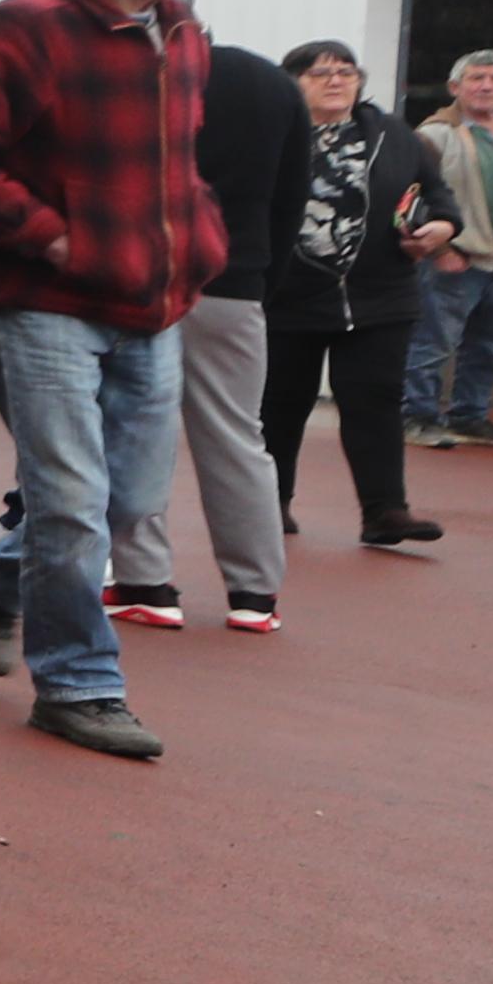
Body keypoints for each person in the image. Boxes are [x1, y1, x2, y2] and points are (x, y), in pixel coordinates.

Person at [0, 0, 235, 762]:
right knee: (70, 499)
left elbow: (178, 161)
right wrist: (52, 238)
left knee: (130, 501)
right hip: (45, 305)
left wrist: (202, 236)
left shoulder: (182, 32)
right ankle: (78, 685)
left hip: (154, 305)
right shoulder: (19, 30)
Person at [101, 35, 298, 636]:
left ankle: (145, 582)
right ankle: (255, 594)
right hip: (236, 281)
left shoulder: (139, 77)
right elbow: (290, 196)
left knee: (139, 428)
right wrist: (265, 278)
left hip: (146, 275)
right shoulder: (272, 83)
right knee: (238, 435)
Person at [254, 41, 451, 554]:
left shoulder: (393, 135)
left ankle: (385, 510)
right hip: (289, 296)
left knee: (376, 401)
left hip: (380, 295)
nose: (337, 81)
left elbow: (437, 194)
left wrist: (442, 226)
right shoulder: (272, 133)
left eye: (346, 72)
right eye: (321, 73)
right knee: (280, 403)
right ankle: (270, 504)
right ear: (293, 81)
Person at [406, 52, 493, 447]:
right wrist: (438, 249)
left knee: (488, 346)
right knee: (433, 341)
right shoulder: (435, 135)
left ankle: (470, 415)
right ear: (455, 88)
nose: (486, 86)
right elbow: (408, 197)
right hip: (456, 260)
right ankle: (415, 415)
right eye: (476, 78)